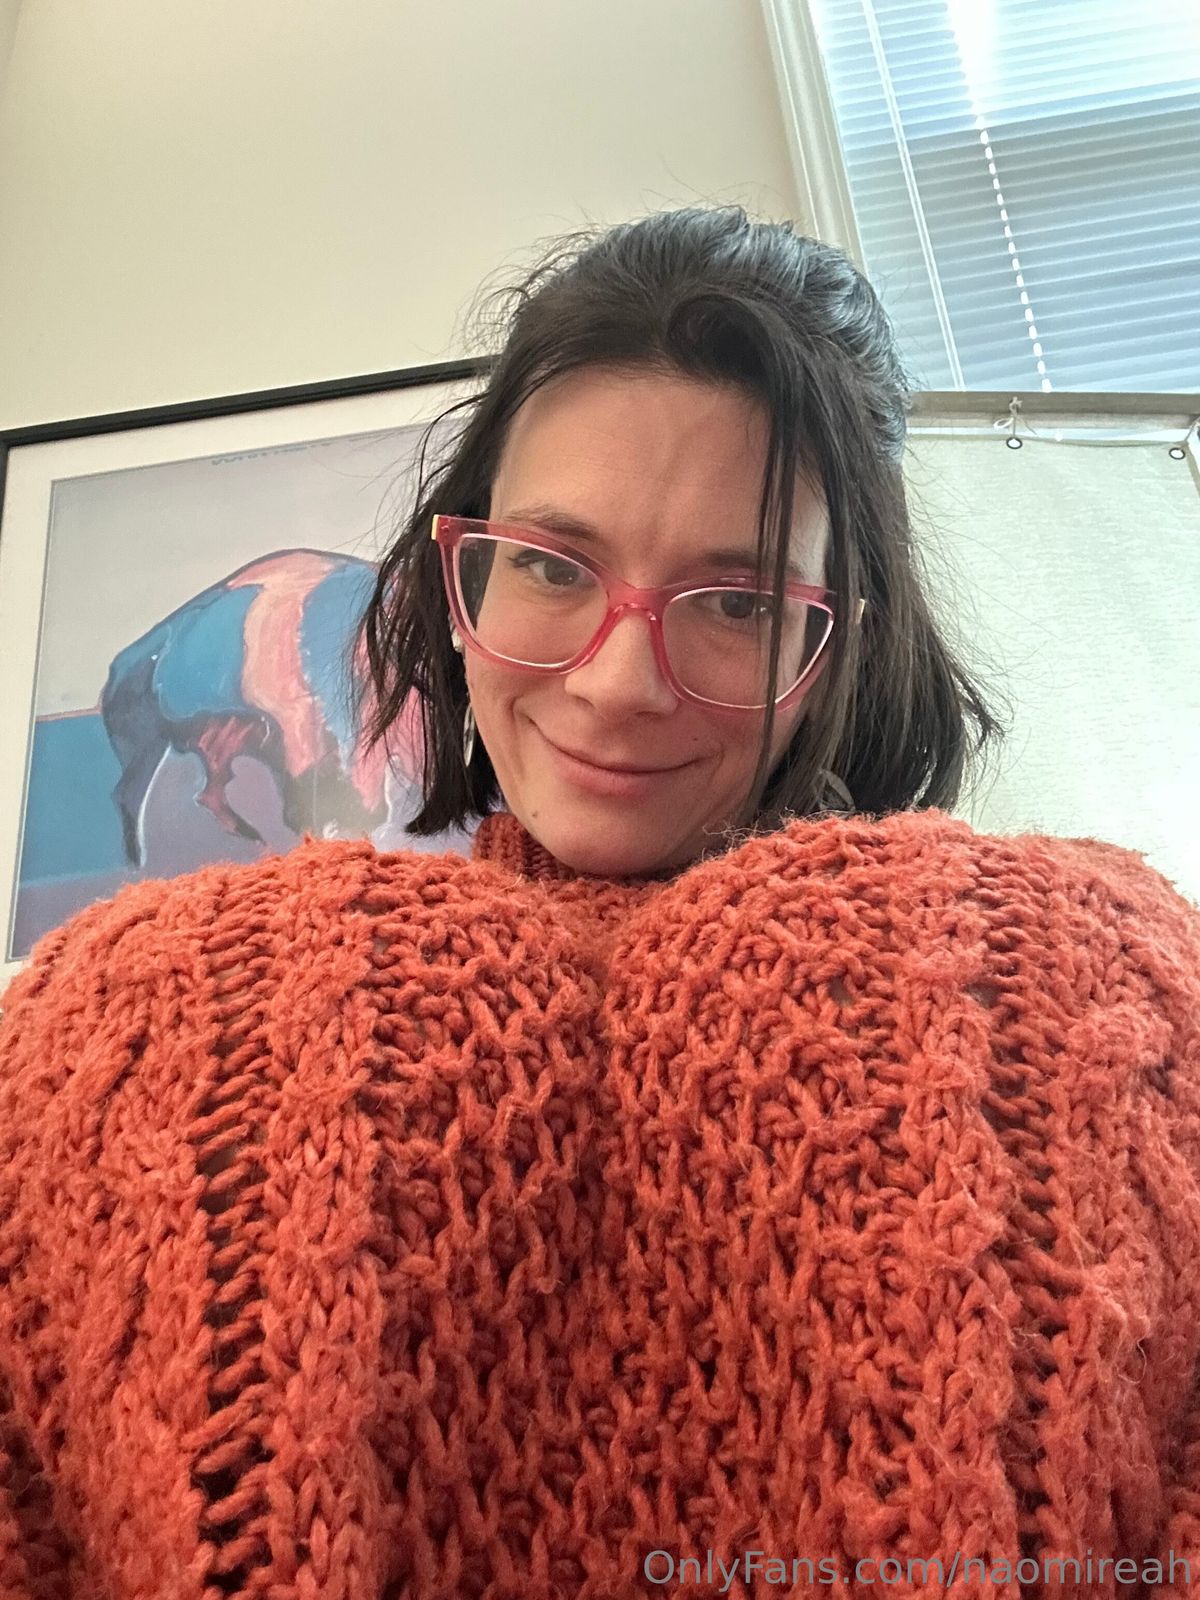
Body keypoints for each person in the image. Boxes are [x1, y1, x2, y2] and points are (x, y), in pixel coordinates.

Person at [1, 206, 1199, 1600]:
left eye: (736, 602)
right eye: (554, 567)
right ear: (460, 572)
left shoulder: (1099, 986)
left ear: (837, 650)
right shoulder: (119, 1017)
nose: (620, 683)